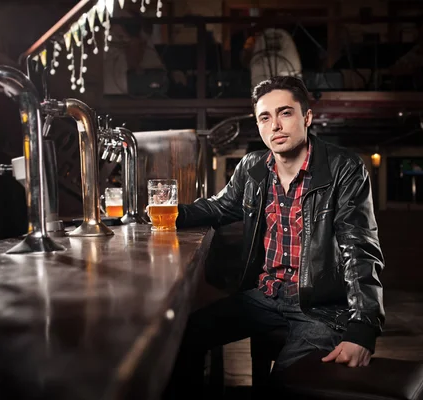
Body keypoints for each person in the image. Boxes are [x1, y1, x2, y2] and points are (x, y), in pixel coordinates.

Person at [165, 76, 385, 397]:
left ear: (306, 117)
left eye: (285, 113)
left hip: (319, 306)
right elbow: (220, 207)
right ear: (258, 125)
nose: (275, 126)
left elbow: (360, 248)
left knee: (282, 386)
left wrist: (364, 327)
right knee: (179, 338)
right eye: (265, 117)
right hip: (264, 296)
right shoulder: (254, 167)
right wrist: (169, 213)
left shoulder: (343, 168)